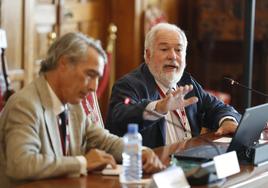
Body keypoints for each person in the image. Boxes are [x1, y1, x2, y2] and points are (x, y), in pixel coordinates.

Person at [0, 32, 165, 187]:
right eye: (90, 75)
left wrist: (139, 151)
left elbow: (105, 141)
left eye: (97, 78)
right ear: (63, 63)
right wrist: (83, 162)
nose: (94, 87)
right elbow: (21, 164)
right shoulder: (25, 105)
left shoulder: (73, 105)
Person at [106, 23, 241, 148]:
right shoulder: (129, 85)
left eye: (178, 50)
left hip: (189, 161)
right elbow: (121, 115)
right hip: (153, 167)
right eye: (164, 49)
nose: (172, 56)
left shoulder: (186, 82)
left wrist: (227, 121)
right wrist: (158, 108)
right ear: (148, 55)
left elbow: (217, 107)